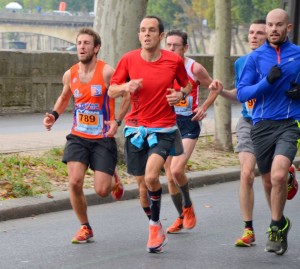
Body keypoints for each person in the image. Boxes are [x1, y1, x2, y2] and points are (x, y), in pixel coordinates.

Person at [108, 15, 195, 254]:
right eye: (143, 30)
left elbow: (187, 85)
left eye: (152, 30)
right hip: (136, 129)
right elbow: (111, 90)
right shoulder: (128, 60)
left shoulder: (173, 61)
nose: (146, 34)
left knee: (151, 176)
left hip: (164, 128)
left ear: (161, 35)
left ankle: (155, 227)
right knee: (142, 188)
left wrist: (181, 96)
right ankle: (154, 221)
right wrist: (125, 86)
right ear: (139, 35)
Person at [43, 28, 130, 244]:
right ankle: (85, 227)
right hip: (79, 136)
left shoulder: (108, 72)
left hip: (102, 139)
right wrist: (54, 115)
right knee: (74, 182)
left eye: (86, 43)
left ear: (96, 48)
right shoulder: (70, 74)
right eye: (79, 43)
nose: (81, 47)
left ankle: (113, 178)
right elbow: (64, 97)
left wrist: (117, 121)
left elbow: (128, 94)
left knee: (102, 191)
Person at [237, 8, 300, 255]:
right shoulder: (255, 58)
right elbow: (242, 93)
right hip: (261, 124)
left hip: (289, 123)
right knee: (266, 180)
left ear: (288, 28)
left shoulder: (298, 55)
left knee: (277, 175)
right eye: (270, 25)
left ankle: (274, 226)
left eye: (278, 25)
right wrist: (267, 82)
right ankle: (282, 220)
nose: (273, 29)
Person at [163, 30, 221, 234]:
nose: (170, 49)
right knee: (170, 177)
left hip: (188, 123)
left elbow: (214, 87)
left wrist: (204, 107)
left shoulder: (194, 67)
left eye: (175, 45)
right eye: (168, 45)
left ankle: (187, 205)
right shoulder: (162, 66)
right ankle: (180, 216)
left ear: (185, 48)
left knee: (177, 170)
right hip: (168, 124)